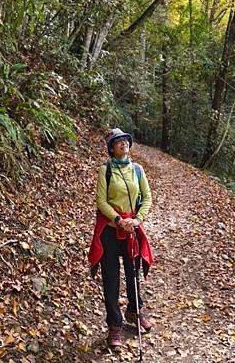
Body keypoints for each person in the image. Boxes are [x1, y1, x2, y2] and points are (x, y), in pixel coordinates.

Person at [88, 128, 154, 351]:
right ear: (111, 148)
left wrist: (137, 220)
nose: (123, 143)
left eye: (125, 140)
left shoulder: (137, 169)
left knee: (132, 273)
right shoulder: (105, 170)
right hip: (110, 229)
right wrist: (118, 219)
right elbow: (101, 200)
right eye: (118, 142)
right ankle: (114, 325)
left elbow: (147, 197)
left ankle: (134, 311)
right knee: (111, 278)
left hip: (132, 229)